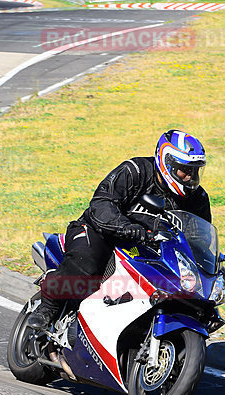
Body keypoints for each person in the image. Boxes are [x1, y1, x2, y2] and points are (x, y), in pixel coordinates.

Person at [27, 129, 211, 329]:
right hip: (99, 231)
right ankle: (48, 306)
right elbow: (102, 203)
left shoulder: (198, 198)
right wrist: (125, 226)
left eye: (195, 170)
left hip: (146, 248)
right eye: (185, 169)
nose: (190, 177)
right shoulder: (136, 171)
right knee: (86, 266)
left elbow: (199, 238)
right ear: (168, 163)